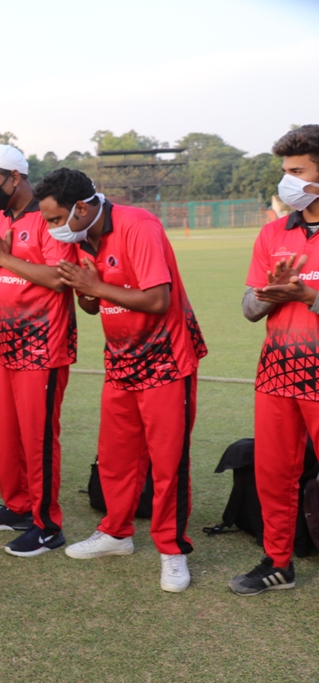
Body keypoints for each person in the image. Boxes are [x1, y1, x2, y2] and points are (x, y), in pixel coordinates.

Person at [34, 167, 205, 593]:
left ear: (82, 207)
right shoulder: (84, 237)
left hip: (167, 360)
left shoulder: (138, 225)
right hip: (121, 362)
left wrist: (97, 287)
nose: (52, 229)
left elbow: (157, 299)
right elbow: (93, 305)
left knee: (167, 463)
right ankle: (116, 533)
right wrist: (90, 294)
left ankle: (172, 550)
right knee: (115, 458)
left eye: (56, 220)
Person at [0, 145, 77, 557]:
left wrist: (2, 258)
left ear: (16, 177)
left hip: (43, 345)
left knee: (38, 438)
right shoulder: (2, 217)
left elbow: (58, 278)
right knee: (7, 434)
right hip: (8, 344)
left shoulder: (49, 214)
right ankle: (17, 507)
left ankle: (48, 526)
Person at [234, 125, 319, 595]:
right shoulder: (273, 233)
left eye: (297, 171)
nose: (287, 180)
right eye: (285, 171)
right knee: (273, 475)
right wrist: (270, 292)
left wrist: (307, 294)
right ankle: (279, 563)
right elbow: (249, 310)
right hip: (278, 375)